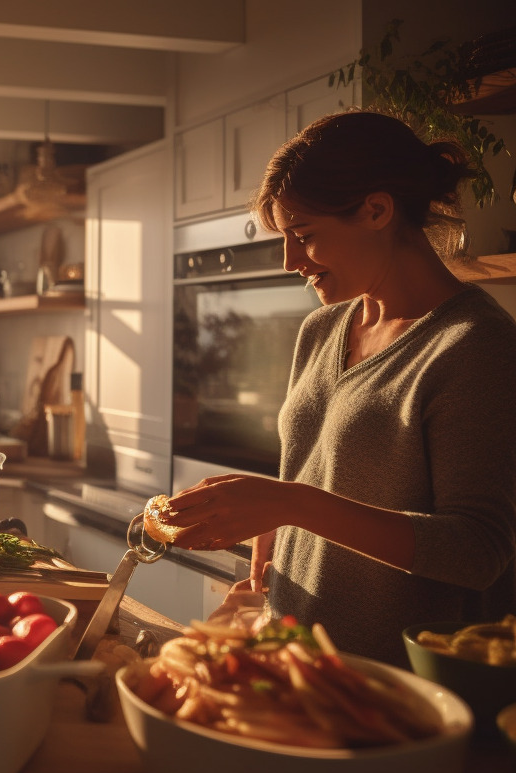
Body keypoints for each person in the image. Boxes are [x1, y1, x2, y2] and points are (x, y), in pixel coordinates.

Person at [161, 111, 516, 666]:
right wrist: (274, 529)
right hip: (294, 651)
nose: (290, 261)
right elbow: (316, 473)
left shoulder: (475, 344)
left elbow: (477, 551)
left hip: (391, 681)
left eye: (304, 236)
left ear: (377, 210)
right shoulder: (323, 329)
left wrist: (291, 503)